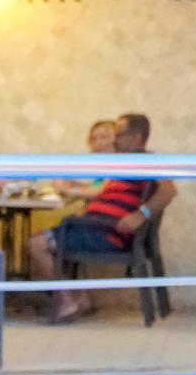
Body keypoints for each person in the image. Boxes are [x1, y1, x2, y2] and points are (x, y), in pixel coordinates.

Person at [27, 112, 173, 323]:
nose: (115, 140)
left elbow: (169, 190)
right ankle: (79, 298)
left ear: (136, 137)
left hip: (105, 233)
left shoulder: (143, 162)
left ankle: (67, 302)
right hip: (97, 227)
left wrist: (141, 215)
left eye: (119, 134)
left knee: (36, 243)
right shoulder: (126, 164)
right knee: (61, 231)